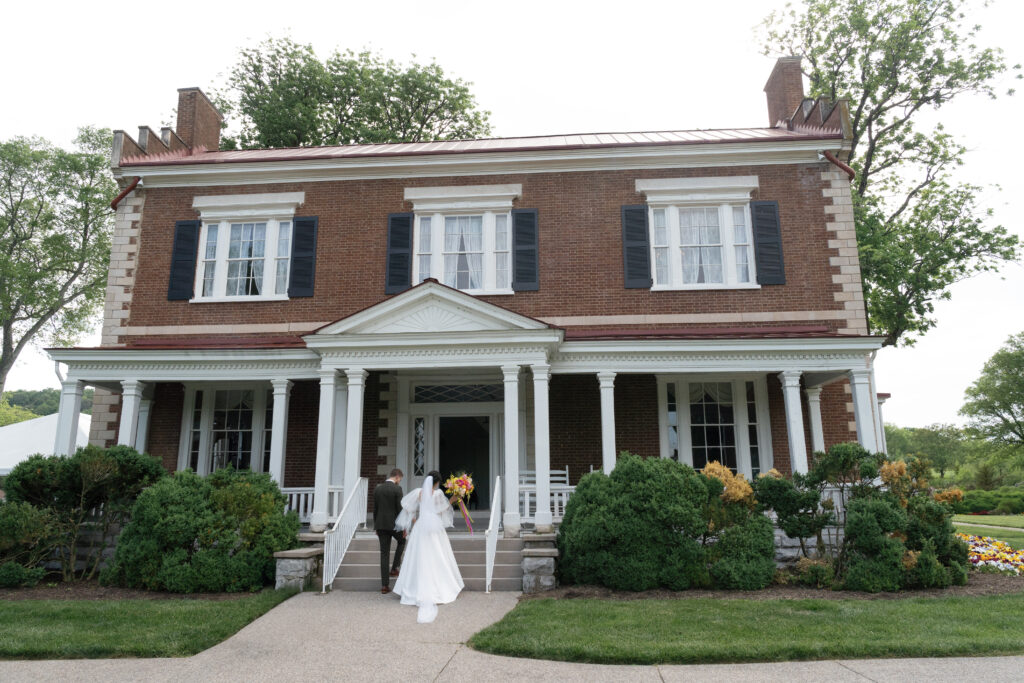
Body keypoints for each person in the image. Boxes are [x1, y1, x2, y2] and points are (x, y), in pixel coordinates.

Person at [392, 470, 464, 623]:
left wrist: (411, 521)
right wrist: (453, 499)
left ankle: (412, 588)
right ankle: (441, 586)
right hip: (433, 527)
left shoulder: (419, 492)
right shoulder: (437, 494)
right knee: (437, 555)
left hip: (420, 526)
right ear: (437, 482)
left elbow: (407, 506)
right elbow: (441, 508)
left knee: (418, 556)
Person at [373, 468, 406, 595]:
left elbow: (375, 508)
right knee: (402, 541)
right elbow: (399, 510)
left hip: (380, 525)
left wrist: (376, 526)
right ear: (397, 477)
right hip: (394, 525)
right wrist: (403, 527)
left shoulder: (378, 489)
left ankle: (384, 586)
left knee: (384, 554)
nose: (399, 482)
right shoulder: (397, 489)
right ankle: (394, 568)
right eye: (400, 480)